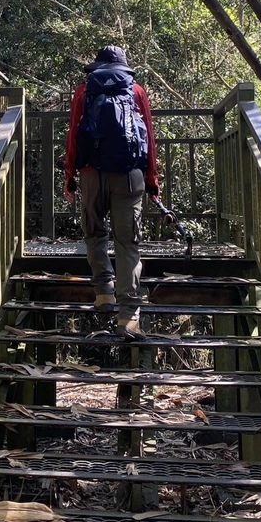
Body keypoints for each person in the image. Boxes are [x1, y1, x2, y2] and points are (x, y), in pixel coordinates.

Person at [63, 45, 162, 340]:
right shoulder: (136, 90)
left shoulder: (83, 90)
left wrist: (70, 175)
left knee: (94, 232)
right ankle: (129, 317)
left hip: (91, 174)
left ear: (97, 66)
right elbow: (148, 139)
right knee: (127, 243)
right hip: (128, 176)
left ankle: (104, 292)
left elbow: (73, 136)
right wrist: (152, 180)